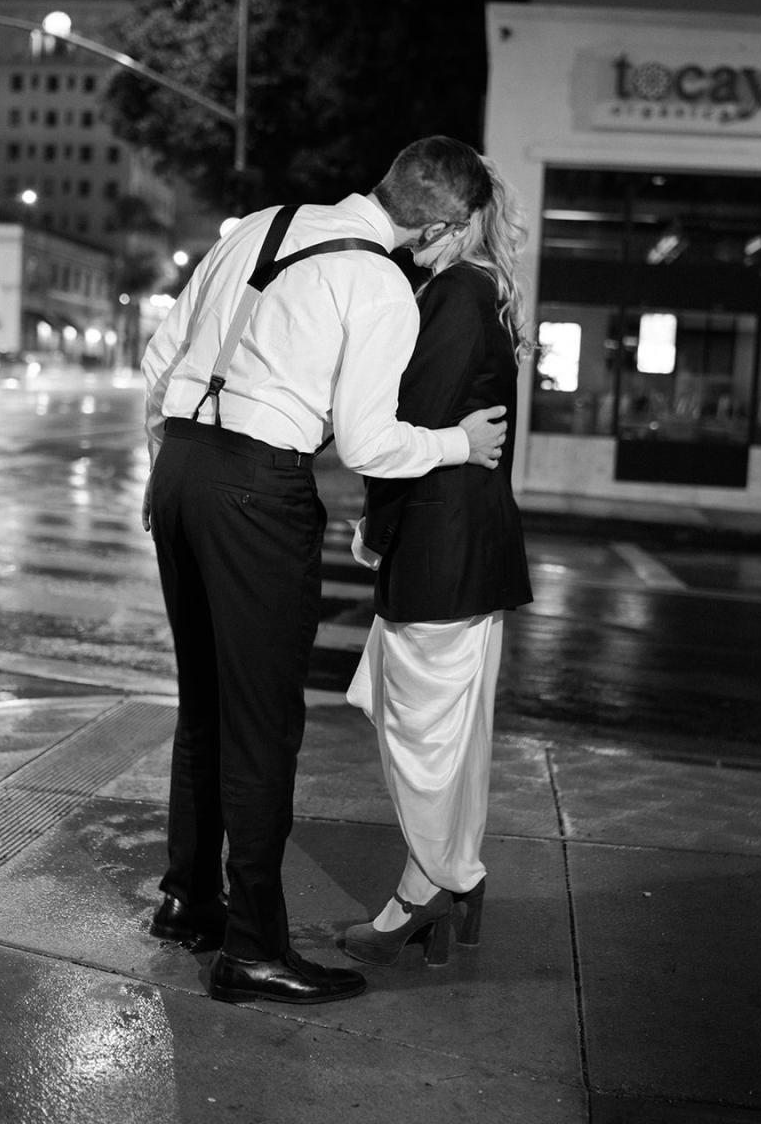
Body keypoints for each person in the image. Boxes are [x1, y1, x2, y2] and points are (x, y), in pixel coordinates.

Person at [140, 137, 510, 1006]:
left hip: (183, 464)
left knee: (205, 703)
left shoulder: (262, 225)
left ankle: (189, 900)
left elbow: (160, 361)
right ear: (443, 225)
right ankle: (254, 949)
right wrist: (462, 441)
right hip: (257, 489)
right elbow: (372, 441)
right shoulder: (380, 282)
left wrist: (168, 474)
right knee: (264, 722)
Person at [343, 157, 533, 968]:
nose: (414, 240)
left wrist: (376, 528)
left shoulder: (455, 295)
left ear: (461, 224)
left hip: (438, 545)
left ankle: (433, 887)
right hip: (466, 547)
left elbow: (406, 427)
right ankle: (442, 885)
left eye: (432, 226)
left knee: (420, 735)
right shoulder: (480, 291)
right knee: (446, 734)